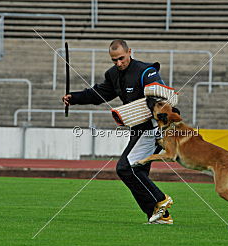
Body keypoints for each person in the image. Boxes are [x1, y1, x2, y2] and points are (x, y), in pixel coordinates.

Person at [62, 39, 173, 224]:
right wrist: (74, 98)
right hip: (137, 131)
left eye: (121, 58)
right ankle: (160, 216)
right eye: (114, 60)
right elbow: (98, 94)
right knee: (138, 172)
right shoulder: (113, 74)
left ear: (130, 51)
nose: (119, 63)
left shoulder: (147, 71)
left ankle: (161, 200)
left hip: (152, 130)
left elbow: (159, 95)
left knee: (125, 168)